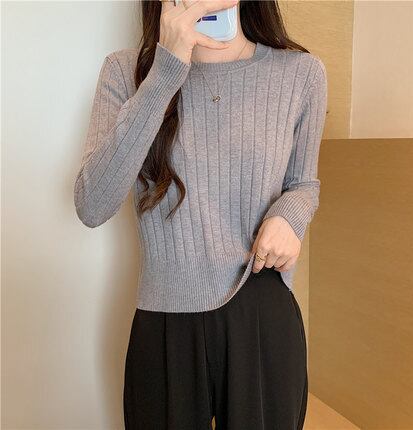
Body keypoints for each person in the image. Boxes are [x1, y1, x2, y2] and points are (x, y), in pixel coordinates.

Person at [73, 0, 328, 428]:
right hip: (165, 315)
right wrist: (165, 71)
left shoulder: (300, 73)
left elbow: (304, 182)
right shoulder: (126, 72)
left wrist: (289, 216)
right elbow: (92, 204)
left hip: (260, 306)